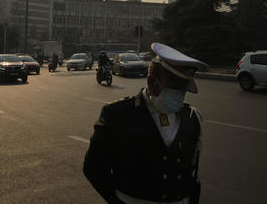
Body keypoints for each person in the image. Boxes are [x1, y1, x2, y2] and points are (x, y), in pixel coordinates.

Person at [84, 43, 208, 204]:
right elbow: (93, 168)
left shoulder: (192, 118)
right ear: (151, 82)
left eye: (182, 91)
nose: (179, 97)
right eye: (173, 90)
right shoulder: (118, 114)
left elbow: (189, 170)